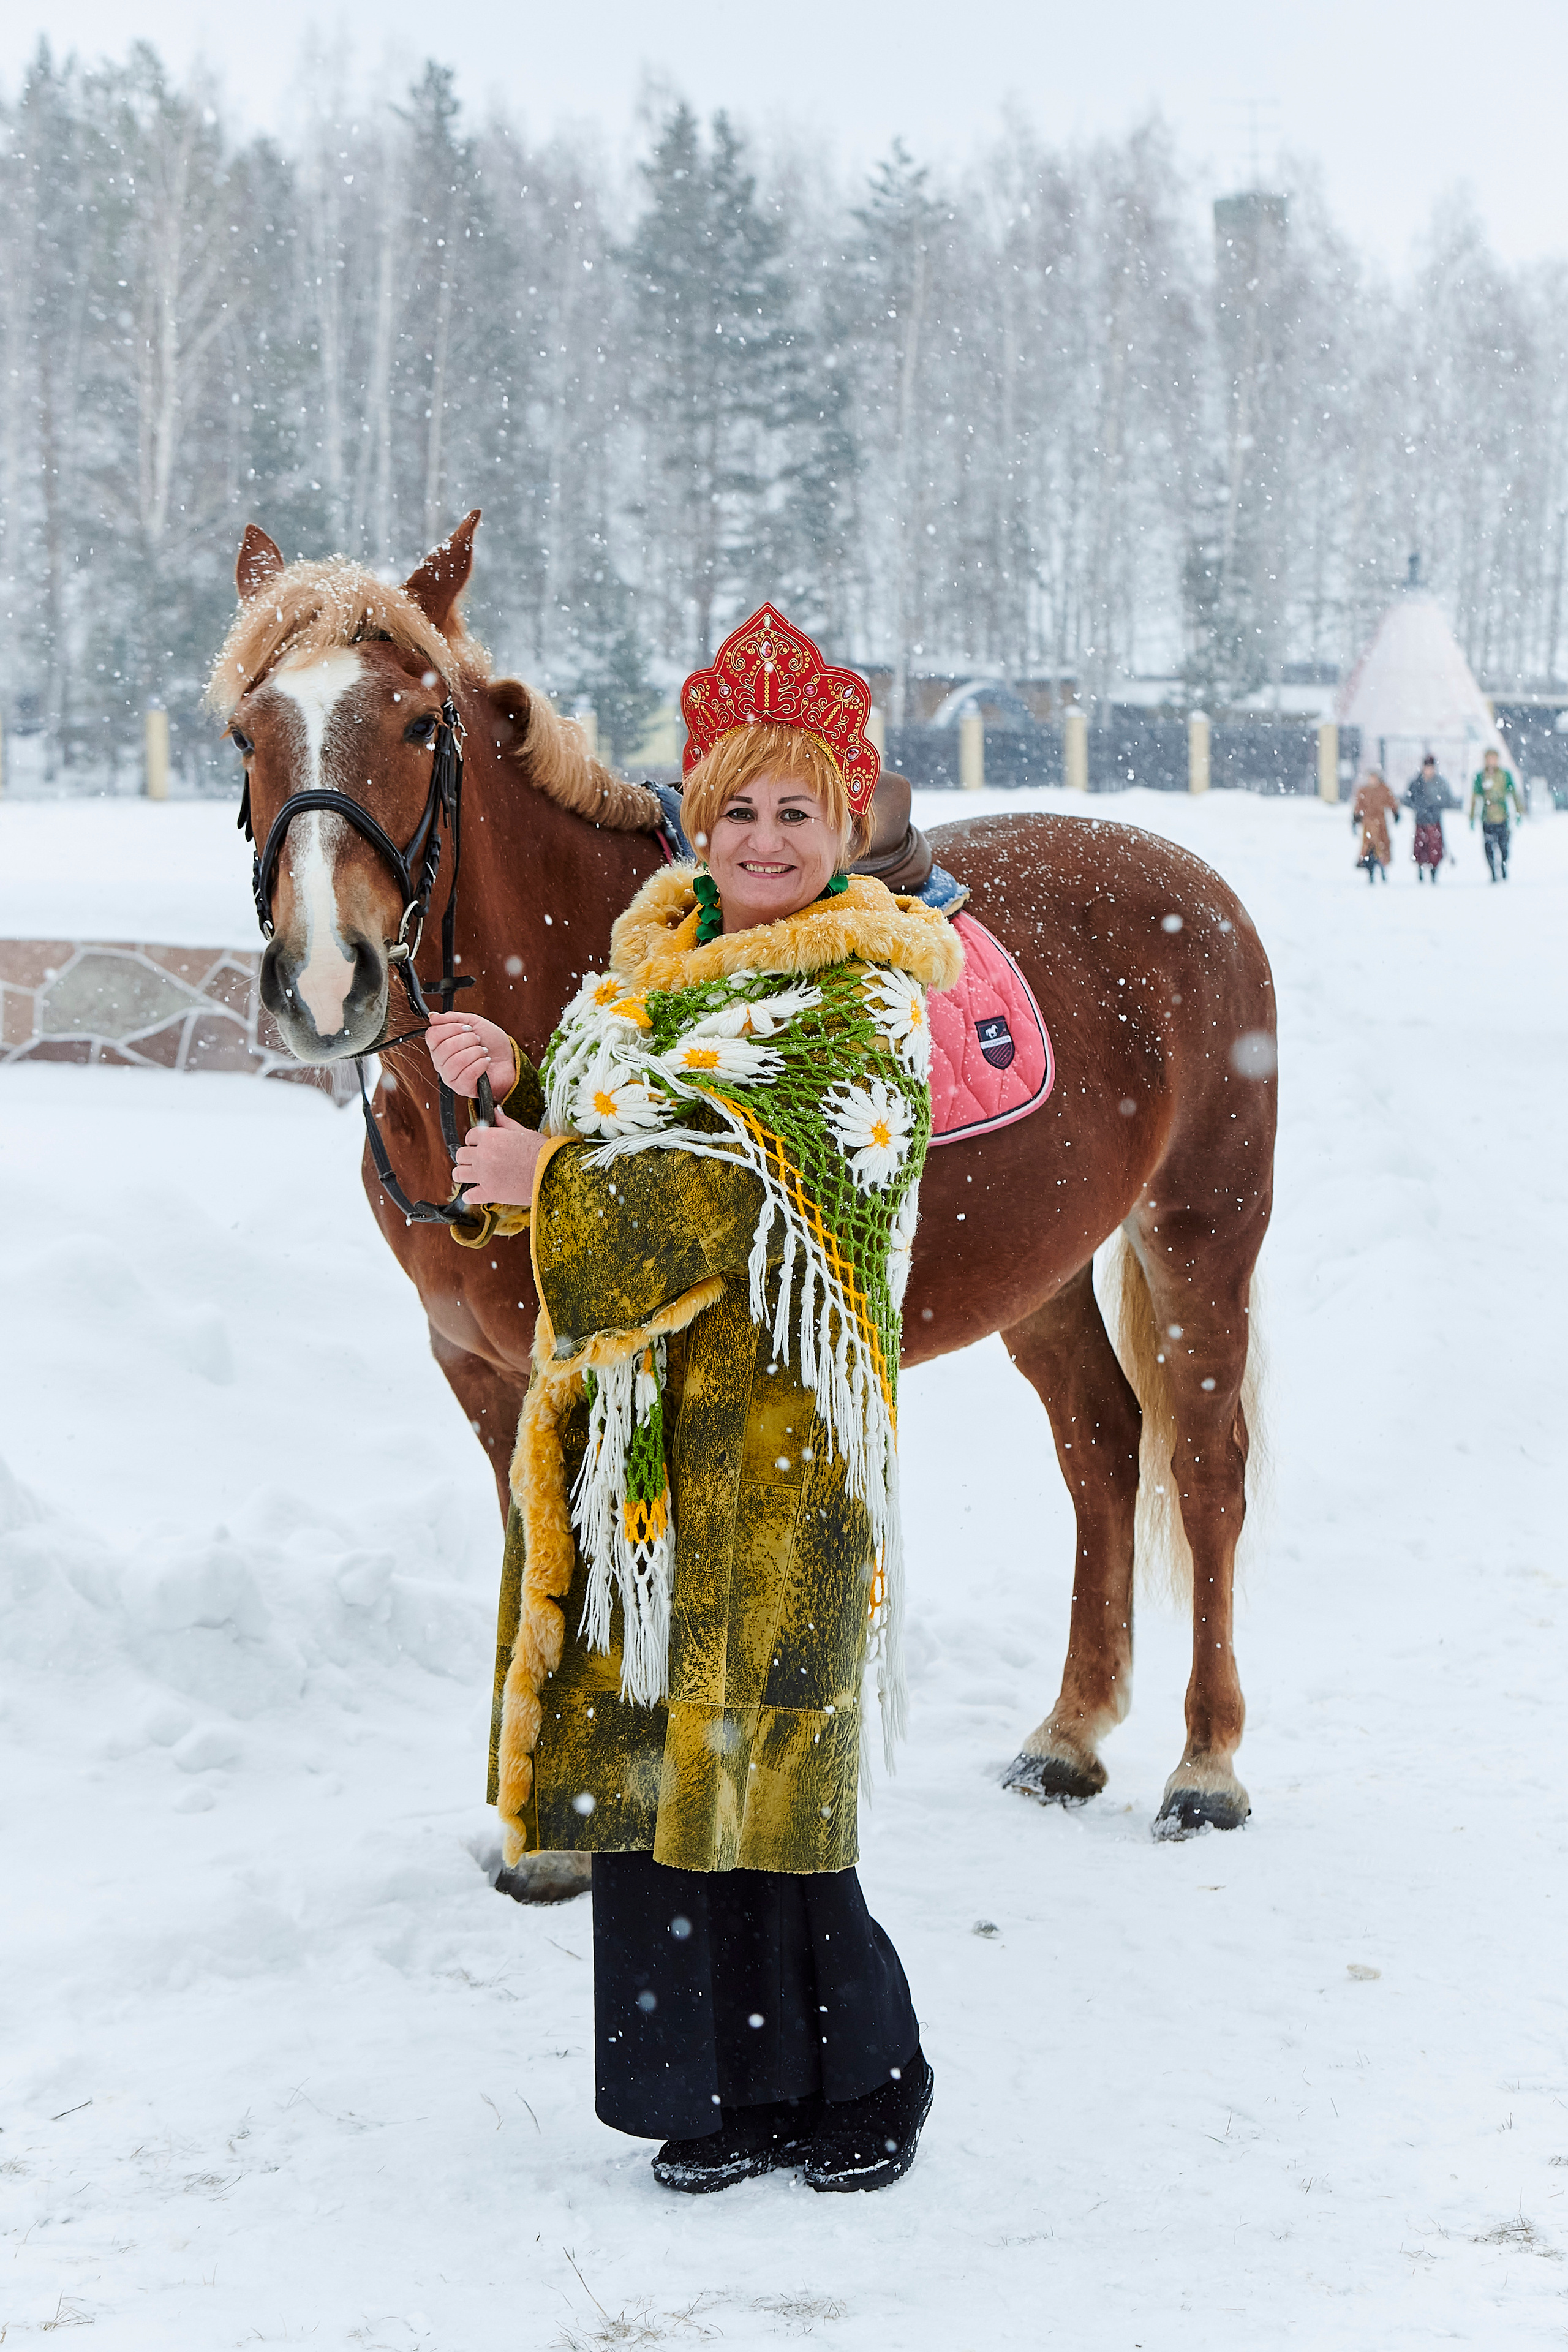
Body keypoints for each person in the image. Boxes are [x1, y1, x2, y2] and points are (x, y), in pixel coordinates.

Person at [426, 606, 962, 2196]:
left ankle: (864, 2079)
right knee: (668, 1773)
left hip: (782, 1442)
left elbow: (733, 1195)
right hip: (640, 1451)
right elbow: (616, 1143)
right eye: (738, 807)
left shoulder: (862, 1000)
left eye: (799, 810)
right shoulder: (643, 976)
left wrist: (559, 1170)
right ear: (698, 819)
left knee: (777, 1767)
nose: (767, 837)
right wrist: (513, 1095)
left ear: (849, 822)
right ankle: (709, 2091)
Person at [1469, 746, 1525, 881]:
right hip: (1487, 817)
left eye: (1494, 759)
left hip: (1502, 816)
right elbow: (1475, 797)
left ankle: (1503, 865)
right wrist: (1472, 816)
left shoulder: (1505, 775)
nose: (1492, 762)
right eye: (1489, 759)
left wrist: (1519, 812)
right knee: (1489, 847)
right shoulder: (1480, 776)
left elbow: (1514, 794)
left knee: (1503, 846)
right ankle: (1493, 871)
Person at [1403, 754, 1458, 883]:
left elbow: (1448, 800)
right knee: (1421, 847)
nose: (1429, 770)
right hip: (1421, 820)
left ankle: (1434, 871)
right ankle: (1421, 868)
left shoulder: (1440, 783)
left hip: (1434, 820)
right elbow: (1408, 799)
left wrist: (1435, 806)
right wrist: (1418, 807)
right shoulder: (1416, 783)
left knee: (1435, 848)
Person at [1351, 767, 1400, 883]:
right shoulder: (1363, 791)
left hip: (1380, 825)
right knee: (1369, 850)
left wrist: (1395, 813)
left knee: (1382, 849)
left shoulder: (1383, 789)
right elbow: (1358, 806)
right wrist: (1356, 818)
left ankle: (1383, 871)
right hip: (1368, 824)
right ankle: (1371, 873)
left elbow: (1392, 802)